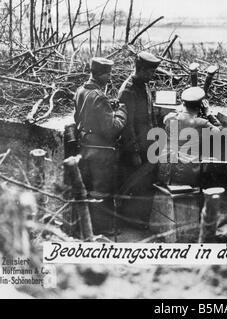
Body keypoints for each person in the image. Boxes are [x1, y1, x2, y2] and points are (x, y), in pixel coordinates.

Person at [74, 57, 127, 235]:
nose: (110, 78)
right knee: (102, 190)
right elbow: (112, 129)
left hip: (85, 147)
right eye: (108, 74)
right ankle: (102, 228)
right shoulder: (99, 96)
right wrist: (121, 112)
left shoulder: (81, 90)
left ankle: (88, 227)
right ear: (100, 74)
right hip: (101, 152)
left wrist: (107, 108)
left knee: (89, 188)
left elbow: (78, 118)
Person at [117, 52, 161, 228]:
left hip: (148, 144)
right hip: (134, 147)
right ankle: (132, 222)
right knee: (135, 184)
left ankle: (140, 219)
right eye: (149, 72)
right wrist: (134, 151)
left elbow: (150, 114)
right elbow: (127, 126)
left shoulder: (144, 85)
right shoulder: (128, 90)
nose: (152, 76)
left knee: (146, 183)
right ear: (140, 69)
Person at [159, 87, 221, 186]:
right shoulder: (203, 123)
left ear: (183, 104)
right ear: (200, 107)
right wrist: (208, 114)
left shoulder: (170, 118)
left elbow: (170, 117)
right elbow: (219, 130)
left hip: (167, 170)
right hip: (187, 173)